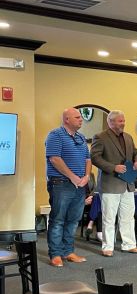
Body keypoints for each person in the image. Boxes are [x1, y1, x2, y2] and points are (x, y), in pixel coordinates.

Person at [91, 110, 137, 257]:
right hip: (110, 184)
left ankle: (129, 245)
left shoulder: (128, 137)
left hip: (128, 184)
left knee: (128, 216)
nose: (123, 123)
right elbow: (95, 158)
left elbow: (136, 153)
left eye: (124, 120)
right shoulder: (100, 137)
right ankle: (108, 247)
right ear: (111, 122)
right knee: (109, 217)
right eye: (120, 121)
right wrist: (113, 167)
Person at [45, 107, 91, 267]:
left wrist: (86, 176)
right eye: (77, 117)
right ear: (66, 119)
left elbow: (88, 159)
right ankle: (55, 254)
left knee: (73, 220)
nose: (81, 119)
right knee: (58, 220)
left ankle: (68, 252)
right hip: (61, 184)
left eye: (81, 117)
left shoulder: (81, 137)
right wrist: (73, 177)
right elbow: (54, 159)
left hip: (80, 185)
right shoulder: (55, 135)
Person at [83, 171, 103, 241]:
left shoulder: (91, 174)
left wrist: (91, 196)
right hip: (81, 199)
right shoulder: (77, 173)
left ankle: (90, 223)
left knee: (97, 200)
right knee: (99, 204)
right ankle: (99, 232)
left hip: (91, 198)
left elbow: (95, 188)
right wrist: (84, 200)